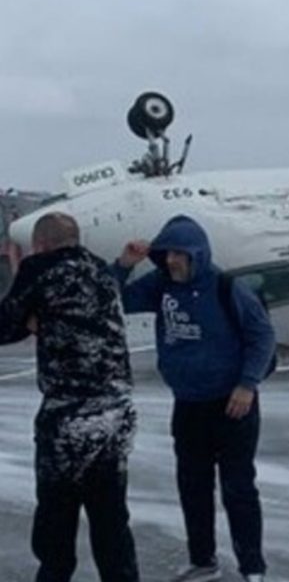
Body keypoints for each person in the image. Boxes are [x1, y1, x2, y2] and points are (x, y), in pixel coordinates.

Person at [112, 215, 275, 582]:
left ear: (197, 255)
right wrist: (124, 264)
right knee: (193, 486)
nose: (171, 261)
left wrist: (247, 384)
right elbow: (113, 299)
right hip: (188, 404)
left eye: (179, 255)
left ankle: (253, 567)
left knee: (238, 488)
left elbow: (262, 336)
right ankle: (203, 560)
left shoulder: (227, 288)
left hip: (234, 404)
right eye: (167, 254)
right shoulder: (161, 285)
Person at [0, 213, 139, 582]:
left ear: (40, 243)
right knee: (111, 518)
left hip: (69, 417)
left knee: (56, 521)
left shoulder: (40, 268)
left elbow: (5, 324)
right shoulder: (101, 273)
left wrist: (29, 317)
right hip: (117, 412)